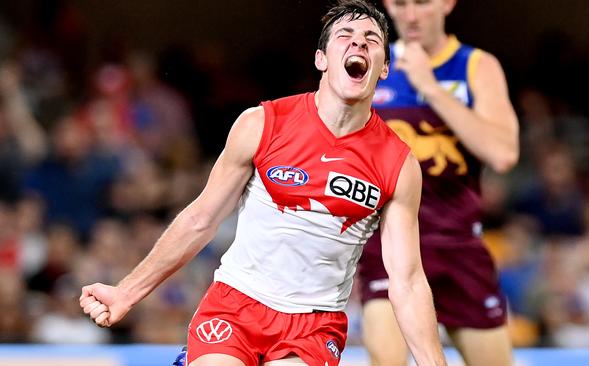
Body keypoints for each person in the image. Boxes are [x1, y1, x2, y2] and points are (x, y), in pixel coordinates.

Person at [79, 1, 448, 365]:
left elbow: (408, 280)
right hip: (235, 305)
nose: (359, 44)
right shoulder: (262, 123)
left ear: (384, 68)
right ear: (321, 59)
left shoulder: (398, 164)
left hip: (314, 326)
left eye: (371, 39)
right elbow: (200, 220)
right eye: (345, 35)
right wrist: (126, 292)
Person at [357, 0, 519, 366]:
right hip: (389, 246)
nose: (411, 16)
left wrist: (429, 88)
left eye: (422, 3)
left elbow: (503, 153)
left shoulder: (476, 66)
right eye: (401, 4)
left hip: (458, 246)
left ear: (447, 3)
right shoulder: (369, 64)